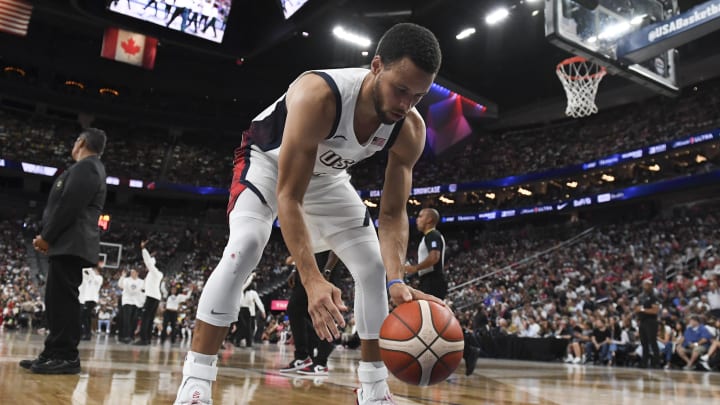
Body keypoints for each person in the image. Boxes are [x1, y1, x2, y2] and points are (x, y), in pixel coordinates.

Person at [173, 22, 443, 405]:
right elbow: (289, 196)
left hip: (327, 178)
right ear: (377, 66)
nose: (405, 105)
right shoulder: (319, 94)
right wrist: (312, 279)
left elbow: (394, 213)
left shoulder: (410, 127)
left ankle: (374, 391)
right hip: (267, 165)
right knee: (247, 245)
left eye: (417, 96)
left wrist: (396, 280)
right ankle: (196, 381)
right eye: (400, 90)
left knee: (373, 268)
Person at [19, 128, 107, 374]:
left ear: (81, 142)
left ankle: (66, 356)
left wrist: (47, 236)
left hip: (72, 242)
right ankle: (52, 352)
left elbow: (70, 204)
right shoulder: (87, 167)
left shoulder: (88, 167)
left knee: (64, 301)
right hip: (68, 243)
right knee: (56, 300)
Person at [280, 252, 340, 376]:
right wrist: (295, 270)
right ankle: (302, 356)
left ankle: (321, 363)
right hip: (308, 269)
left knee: (323, 311)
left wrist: (327, 270)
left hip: (325, 267)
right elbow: (306, 245)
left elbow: (335, 246)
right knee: (294, 308)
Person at [136, 240, 164, 345]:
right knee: (150, 318)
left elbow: (148, 262)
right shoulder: (153, 274)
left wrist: (144, 249)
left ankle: (144, 339)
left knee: (146, 318)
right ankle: (147, 339)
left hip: (152, 297)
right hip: (155, 297)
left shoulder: (155, 272)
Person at [635, 278, 660, 368]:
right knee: (643, 343)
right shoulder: (641, 297)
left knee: (653, 342)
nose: (645, 286)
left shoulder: (654, 297)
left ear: (650, 286)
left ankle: (656, 363)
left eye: (647, 284)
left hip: (651, 321)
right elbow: (637, 308)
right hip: (642, 321)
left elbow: (655, 310)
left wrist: (642, 309)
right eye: (644, 284)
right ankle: (644, 362)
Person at [236, 279, 266, 348]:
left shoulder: (252, 293)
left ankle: (247, 342)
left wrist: (263, 311)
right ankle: (242, 341)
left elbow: (259, 302)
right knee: (246, 328)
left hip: (249, 313)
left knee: (249, 329)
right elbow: (259, 302)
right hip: (242, 311)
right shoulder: (241, 291)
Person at [118, 269, 145, 343]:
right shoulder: (126, 280)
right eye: (131, 272)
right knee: (126, 319)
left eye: (134, 272)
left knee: (134, 320)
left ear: (137, 273)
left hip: (137, 302)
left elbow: (144, 289)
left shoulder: (141, 281)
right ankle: (125, 336)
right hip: (127, 301)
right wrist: (122, 276)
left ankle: (131, 335)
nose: (132, 273)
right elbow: (120, 285)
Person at [79, 263, 104, 340]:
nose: (93, 271)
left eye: (94, 270)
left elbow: (93, 277)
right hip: (86, 299)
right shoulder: (90, 277)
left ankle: (86, 334)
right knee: (86, 317)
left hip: (92, 299)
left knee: (84, 317)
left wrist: (90, 269)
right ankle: (86, 334)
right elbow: (84, 275)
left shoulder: (99, 278)